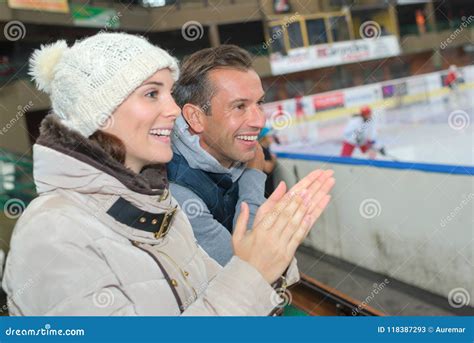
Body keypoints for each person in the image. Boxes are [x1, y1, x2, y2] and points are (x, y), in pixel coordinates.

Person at [2, 33, 335, 316]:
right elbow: (237, 283)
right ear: (100, 114)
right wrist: (254, 271)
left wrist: (266, 260)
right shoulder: (51, 233)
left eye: (169, 92)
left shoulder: (159, 206)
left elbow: (215, 291)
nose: (174, 110)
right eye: (152, 94)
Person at [168, 45, 270, 265]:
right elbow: (248, 271)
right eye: (239, 106)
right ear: (195, 118)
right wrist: (254, 175)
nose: (259, 121)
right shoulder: (177, 193)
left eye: (259, 103)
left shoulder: (233, 149)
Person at [258, 127, 277, 198]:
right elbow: (268, 168)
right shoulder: (260, 150)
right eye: (270, 135)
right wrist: (273, 160)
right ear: (264, 137)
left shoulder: (266, 149)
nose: (272, 137)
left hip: (267, 187)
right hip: (264, 189)